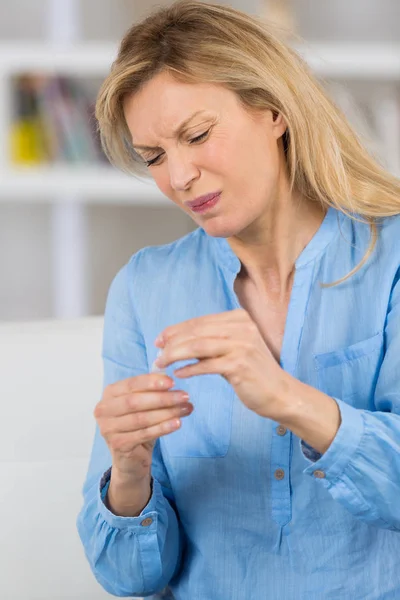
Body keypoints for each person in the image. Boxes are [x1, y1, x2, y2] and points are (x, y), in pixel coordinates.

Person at [76, 1, 400, 598]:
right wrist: (128, 472)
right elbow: (129, 577)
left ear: (273, 111)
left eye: (196, 135)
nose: (178, 177)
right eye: (154, 157)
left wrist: (287, 398)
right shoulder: (146, 287)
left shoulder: (390, 259)